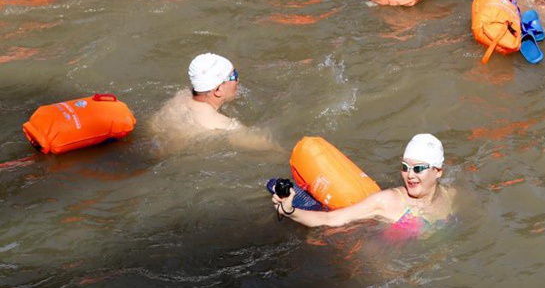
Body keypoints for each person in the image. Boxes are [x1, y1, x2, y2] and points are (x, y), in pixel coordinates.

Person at [272, 134, 453, 228]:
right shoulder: (388, 201)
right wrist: (290, 212)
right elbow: (329, 219)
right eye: (405, 167)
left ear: (438, 171)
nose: (410, 175)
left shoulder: (449, 195)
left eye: (418, 168)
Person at [149, 53, 282, 153]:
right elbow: (267, 148)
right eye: (234, 76)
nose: (238, 80)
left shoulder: (181, 96)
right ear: (218, 89)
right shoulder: (222, 126)